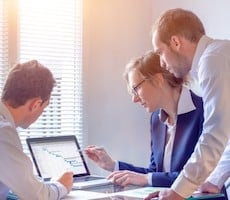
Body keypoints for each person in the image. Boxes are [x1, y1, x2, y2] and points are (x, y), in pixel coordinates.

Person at [145, 8, 230, 200]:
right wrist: (214, 180)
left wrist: (178, 191)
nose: (162, 63)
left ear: (176, 42)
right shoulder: (219, 55)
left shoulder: (212, 60)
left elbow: (215, 134)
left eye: (160, 52)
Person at [85, 51, 204, 188]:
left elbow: (199, 176)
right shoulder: (157, 119)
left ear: (158, 79)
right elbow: (154, 174)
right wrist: (113, 165)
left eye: (136, 88)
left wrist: (148, 178)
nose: (134, 99)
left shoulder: (205, 112)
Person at [0, 60, 73, 199]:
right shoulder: (3, 132)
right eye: (44, 108)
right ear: (36, 104)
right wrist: (61, 185)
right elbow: (38, 196)